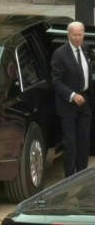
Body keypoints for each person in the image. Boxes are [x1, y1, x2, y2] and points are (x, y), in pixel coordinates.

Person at [51, 21, 93, 178]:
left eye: (80, 34)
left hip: (85, 103)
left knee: (84, 141)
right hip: (68, 105)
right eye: (74, 35)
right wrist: (72, 95)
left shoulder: (86, 50)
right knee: (71, 143)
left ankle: (81, 176)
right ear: (68, 36)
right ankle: (69, 178)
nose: (78, 38)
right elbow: (56, 81)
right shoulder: (60, 54)